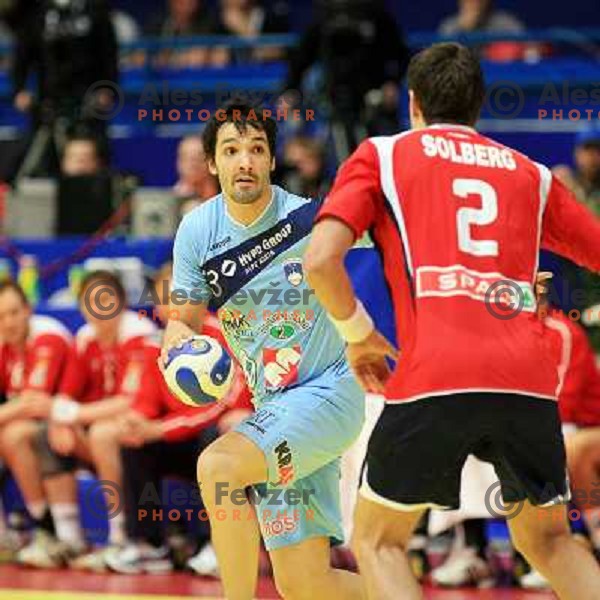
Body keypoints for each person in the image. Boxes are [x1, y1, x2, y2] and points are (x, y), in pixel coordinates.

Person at [304, 42, 600, 600]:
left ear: (413, 103)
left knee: (379, 542)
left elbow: (320, 261)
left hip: (436, 372)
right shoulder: (530, 174)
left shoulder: (382, 155)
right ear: (478, 106)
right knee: (552, 543)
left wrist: (358, 334)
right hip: (528, 381)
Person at [162, 102, 365, 599]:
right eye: (231, 151)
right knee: (305, 584)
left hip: (330, 393)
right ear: (212, 163)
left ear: (273, 161)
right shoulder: (197, 230)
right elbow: (182, 319)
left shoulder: (308, 220)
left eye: (256, 149)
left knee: (219, 467)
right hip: (276, 411)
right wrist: (178, 345)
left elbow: (407, 239)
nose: (245, 161)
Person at [0, 280, 79, 560]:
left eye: (13, 313)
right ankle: (12, 535)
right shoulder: (5, 346)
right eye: (0, 316)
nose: (7, 323)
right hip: (43, 425)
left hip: (73, 423)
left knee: (14, 434)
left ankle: (50, 530)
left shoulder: (47, 335)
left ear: (28, 310)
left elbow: (34, 402)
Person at [11, 0, 118, 181]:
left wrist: (108, 89)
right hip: (48, 99)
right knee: (44, 158)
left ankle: (97, 198)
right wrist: (19, 89)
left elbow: (109, 54)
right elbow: (21, 57)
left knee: (92, 151)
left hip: (89, 98)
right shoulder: (37, 14)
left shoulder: (95, 11)